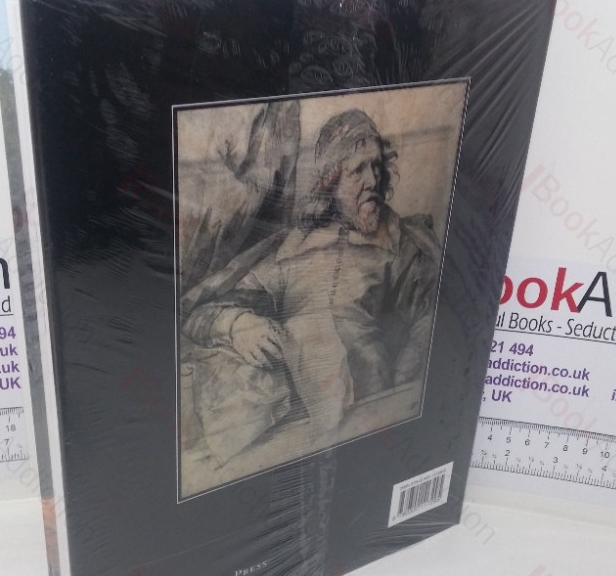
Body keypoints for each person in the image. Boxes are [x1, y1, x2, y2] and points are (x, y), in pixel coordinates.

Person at [181, 108, 440, 468]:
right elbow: (202, 313)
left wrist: (402, 389)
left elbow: (432, 316)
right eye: (358, 170)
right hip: (287, 414)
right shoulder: (290, 249)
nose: (372, 180)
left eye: (377, 166)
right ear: (331, 179)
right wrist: (239, 325)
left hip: (367, 409)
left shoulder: (400, 242)